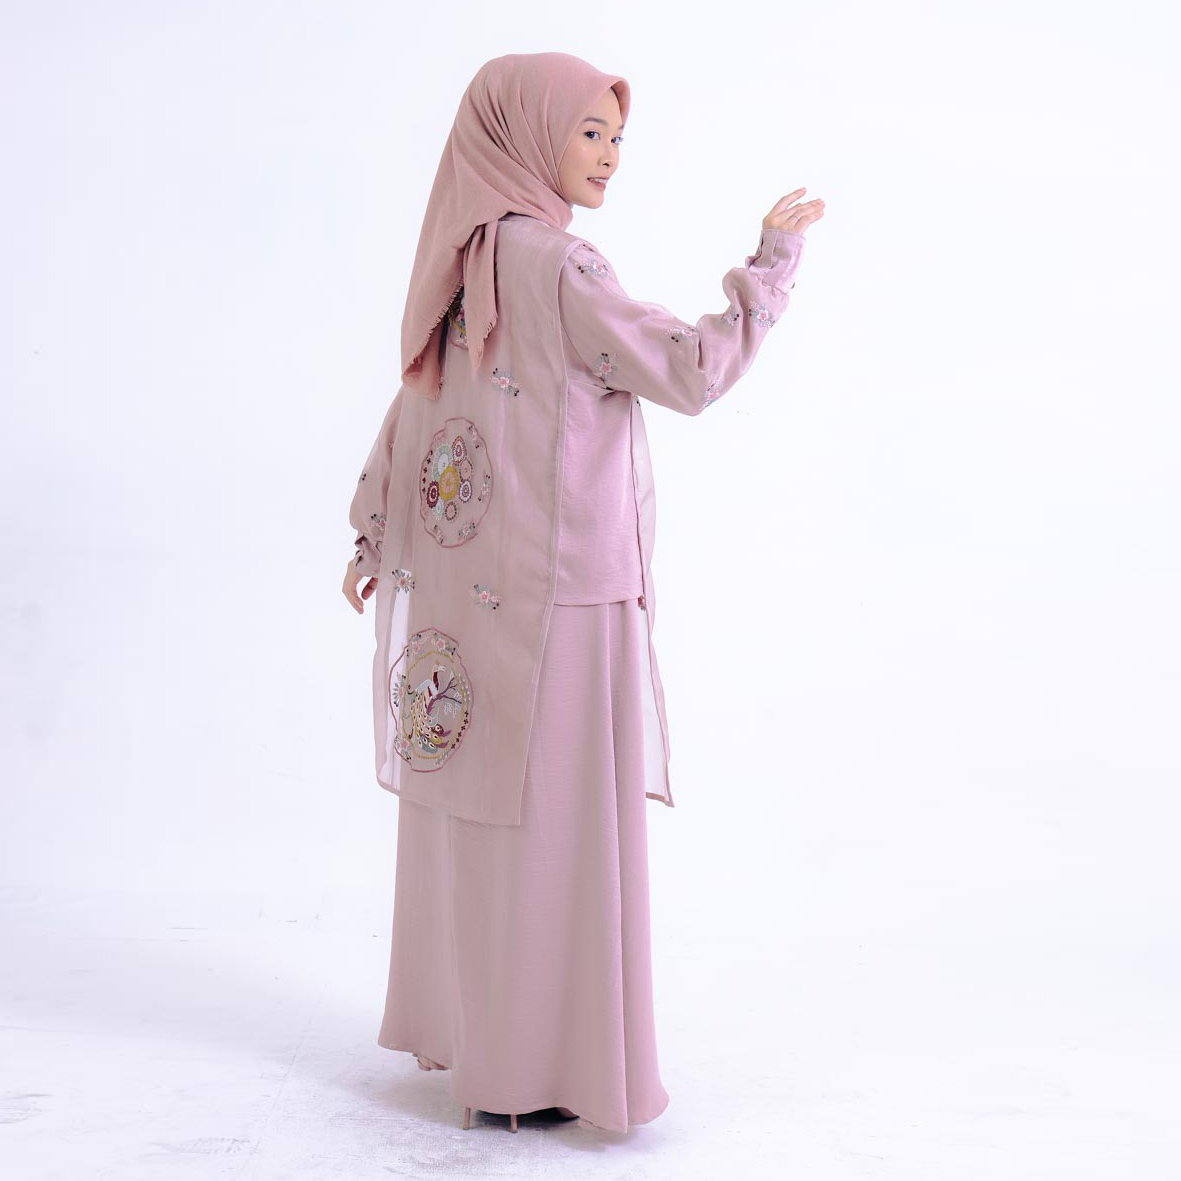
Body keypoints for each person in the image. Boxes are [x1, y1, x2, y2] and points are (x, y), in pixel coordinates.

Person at [341, 52, 823, 1134]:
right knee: (556, 836)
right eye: (589, 133)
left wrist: (371, 527)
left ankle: (491, 1051)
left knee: (486, 823)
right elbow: (690, 370)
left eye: (616, 137)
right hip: (560, 594)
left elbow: (409, 405)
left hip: (471, 590)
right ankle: (537, 1071)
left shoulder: (462, 261)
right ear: (522, 134)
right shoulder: (561, 267)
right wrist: (771, 265)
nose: (608, 157)